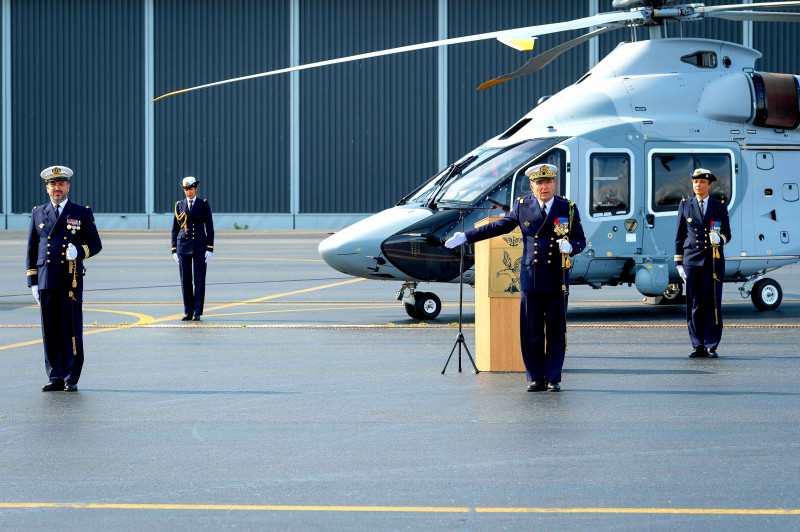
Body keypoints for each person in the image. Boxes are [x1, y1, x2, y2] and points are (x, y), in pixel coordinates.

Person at [445, 163, 586, 392]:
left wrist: (572, 247)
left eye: (548, 182)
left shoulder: (567, 208)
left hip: (556, 277)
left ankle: (553, 378)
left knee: (555, 331)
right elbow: (500, 226)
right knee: (531, 330)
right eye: (539, 183)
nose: (544, 187)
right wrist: (467, 236)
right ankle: (535, 377)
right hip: (531, 277)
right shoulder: (523, 206)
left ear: (554, 184)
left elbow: (581, 239)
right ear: (532, 185)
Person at [27, 166, 102, 392]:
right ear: (47, 188)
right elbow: (32, 249)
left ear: (68, 186)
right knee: (50, 330)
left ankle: (71, 376)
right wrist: (33, 281)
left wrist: (79, 252)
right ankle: (55, 376)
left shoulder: (81, 212)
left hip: (70, 281)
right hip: (47, 279)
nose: (56, 188)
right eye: (52, 184)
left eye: (61, 184)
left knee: (71, 330)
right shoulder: (38, 212)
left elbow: (96, 244)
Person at [674, 168, 731, 358]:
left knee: (712, 303)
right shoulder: (686, 204)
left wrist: (720, 240)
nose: (698, 185)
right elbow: (679, 235)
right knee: (694, 303)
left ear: (709, 185)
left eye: (702, 182)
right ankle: (697, 344)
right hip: (691, 260)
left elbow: (727, 233)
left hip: (712, 260)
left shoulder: (719, 205)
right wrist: (679, 263)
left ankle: (711, 344)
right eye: (695, 182)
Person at [171, 176, 214, 321]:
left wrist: (210, 247)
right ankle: (188, 311)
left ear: (196, 188)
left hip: (200, 245)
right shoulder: (179, 204)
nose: (188, 192)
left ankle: (197, 312)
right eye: (186, 189)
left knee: (199, 279)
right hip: (183, 245)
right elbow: (175, 229)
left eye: (190, 189)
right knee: (185, 280)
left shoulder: (203, 204)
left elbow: (209, 227)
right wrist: (174, 249)